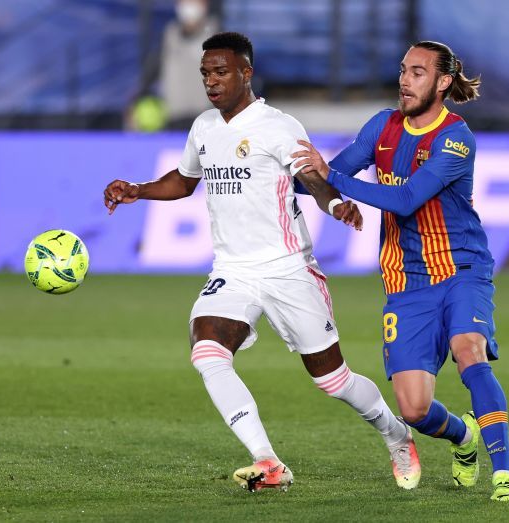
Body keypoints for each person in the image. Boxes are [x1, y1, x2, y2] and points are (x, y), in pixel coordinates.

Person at [104, 32, 420, 492]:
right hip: (233, 271)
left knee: (334, 380)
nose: (211, 82)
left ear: (245, 73)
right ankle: (268, 461)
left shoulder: (278, 125)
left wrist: (334, 206)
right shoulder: (204, 128)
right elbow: (185, 179)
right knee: (207, 351)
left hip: (288, 268)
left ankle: (396, 434)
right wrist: (139, 189)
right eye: (205, 73)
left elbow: (311, 176)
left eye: (221, 71)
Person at [292, 40, 509, 501]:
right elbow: (318, 178)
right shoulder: (382, 126)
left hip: (461, 268)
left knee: (469, 350)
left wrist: (334, 180)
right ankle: (463, 437)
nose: (404, 79)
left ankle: (504, 474)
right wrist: (296, 174)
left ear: (442, 82)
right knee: (414, 409)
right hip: (406, 283)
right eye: (402, 70)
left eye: (417, 72)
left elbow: (404, 198)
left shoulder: (456, 138)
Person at [130, 0, 219, 130]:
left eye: (193, 3)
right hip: (174, 122)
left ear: (204, 5)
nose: (189, 8)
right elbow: (151, 74)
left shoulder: (218, 36)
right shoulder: (169, 35)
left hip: (208, 122)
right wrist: (136, 101)